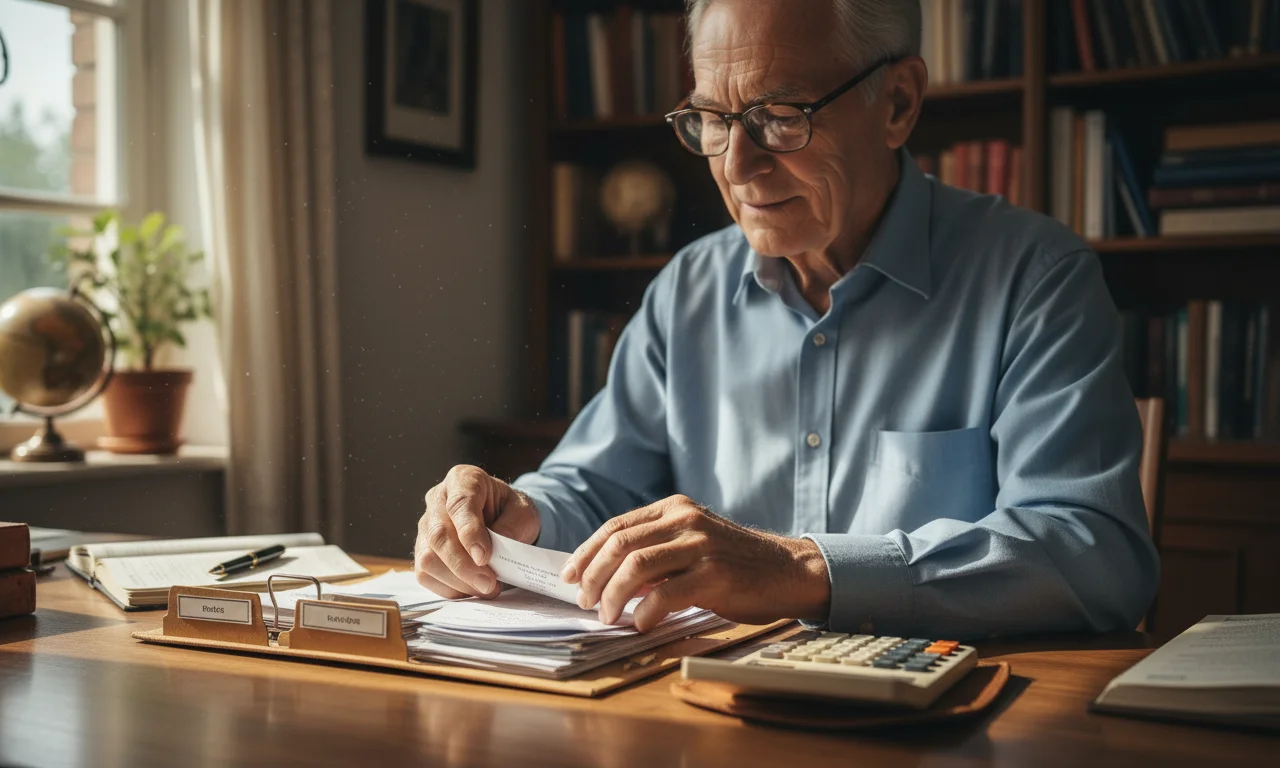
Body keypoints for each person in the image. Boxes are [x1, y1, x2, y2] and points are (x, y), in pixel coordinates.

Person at [414, 0, 1159, 638]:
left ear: (898, 102)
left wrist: (801, 569)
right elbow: (599, 486)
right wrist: (519, 517)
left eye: (780, 116)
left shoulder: (1036, 278)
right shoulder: (687, 290)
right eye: (711, 118)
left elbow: (1094, 554)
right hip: (701, 711)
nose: (736, 165)